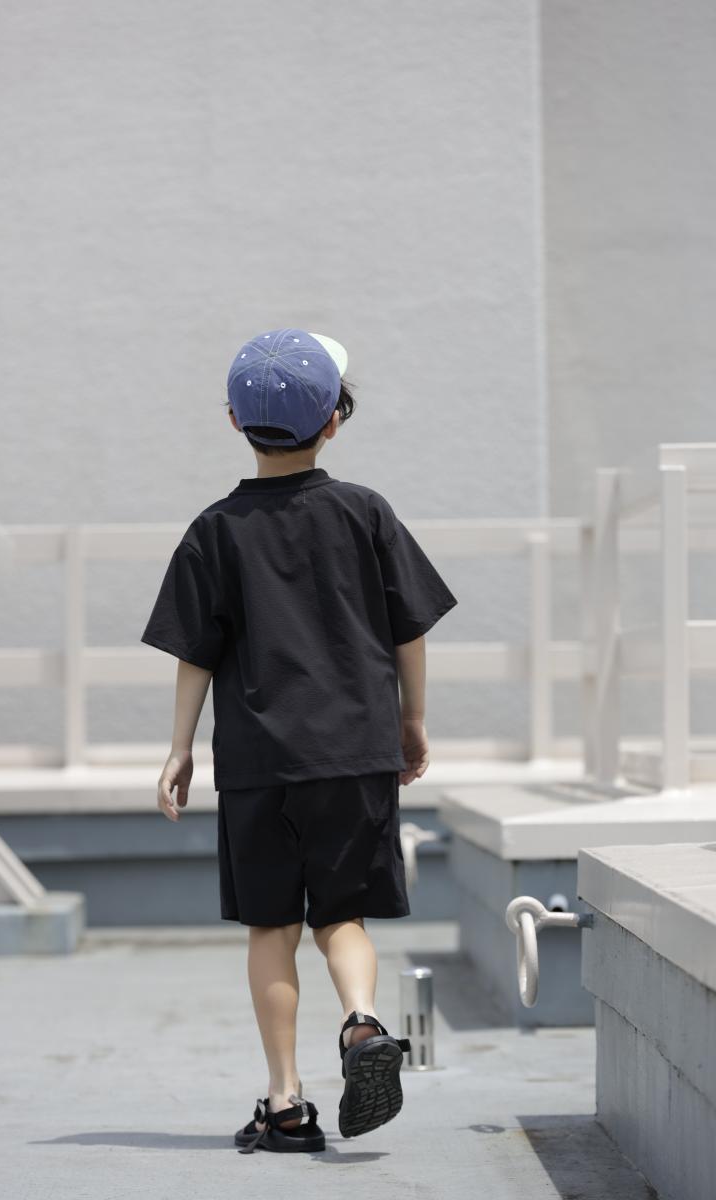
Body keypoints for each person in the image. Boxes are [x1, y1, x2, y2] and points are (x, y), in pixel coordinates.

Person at [140, 327, 458, 1154]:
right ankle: (362, 1021)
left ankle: (284, 1101)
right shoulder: (365, 512)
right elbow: (409, 629)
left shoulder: (214, 529)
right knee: (342, 916)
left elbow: (195, 651)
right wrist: (412, 720)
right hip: (354, 751)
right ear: (334, 421)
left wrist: (179, 747)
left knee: (270, 928)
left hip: (258, 762)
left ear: (234, 422)